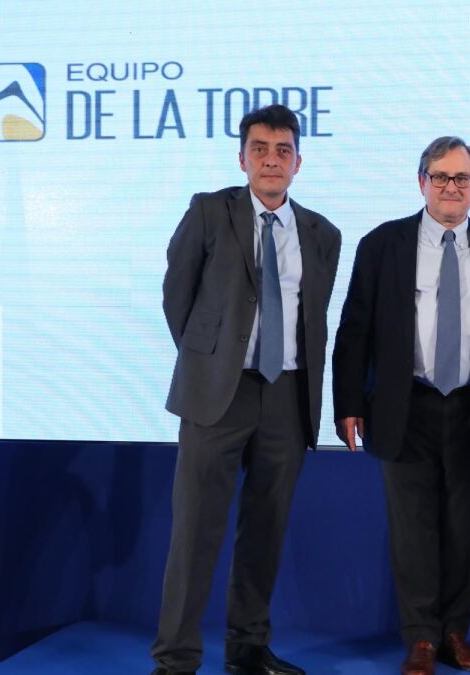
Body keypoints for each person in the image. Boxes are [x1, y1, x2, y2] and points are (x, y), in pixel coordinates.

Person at [154, 104, 341, 675]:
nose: (271, 160)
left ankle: (248, 649)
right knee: (195, 531)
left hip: (287, 396)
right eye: (260, 149)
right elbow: (177, 297)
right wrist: (211, 362)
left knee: (266, 529)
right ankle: (176, 659)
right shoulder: (210, 212)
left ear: (298, 162)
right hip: (218, 395)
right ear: (242, 159)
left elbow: (313, 320)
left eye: (283, 150)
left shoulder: (323, 234)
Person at [333, 136, 470, 675]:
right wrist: (348, 403)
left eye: (462, 178)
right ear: (421, 182)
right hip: (404, 405)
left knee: (464, 529)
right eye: (440, 177)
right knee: (413, 529)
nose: (451, 187)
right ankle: (420, 638)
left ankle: (454, 633)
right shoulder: (382, 244)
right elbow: (354, 331)